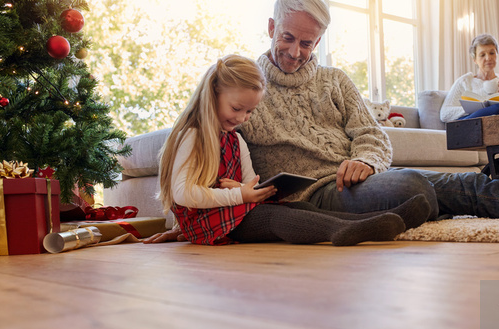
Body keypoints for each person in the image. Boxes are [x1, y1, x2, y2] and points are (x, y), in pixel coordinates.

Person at [147, 0, 499, 242]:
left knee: (461, 187)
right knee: (430, 187)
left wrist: (365, 160)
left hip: (356, 179)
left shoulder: (334, 80)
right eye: (288, 38)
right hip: (311, 195)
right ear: (270, 27)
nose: (296, 51)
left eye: (308, 43)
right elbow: (198, 139)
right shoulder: (244, 91)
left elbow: (373, 134)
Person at [150, 54, 431, 246]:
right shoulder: (193, 135)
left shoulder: (236, 140)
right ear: (212, 94)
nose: (242, 119)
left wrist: (251, 190)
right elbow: (183, 193)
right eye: (237, 108)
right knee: (273, 217)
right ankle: (341, 231)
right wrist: (238, 194)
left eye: (249, 112)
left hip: (235, 211)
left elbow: (250, 183)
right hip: (208, 223)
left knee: (298, 206)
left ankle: (381, 221)